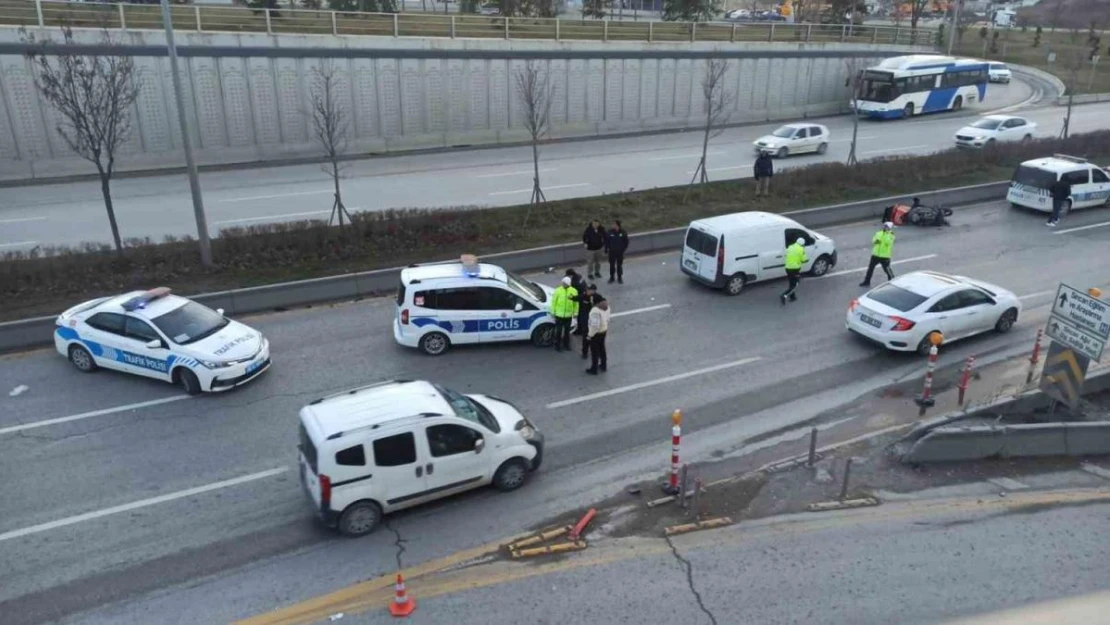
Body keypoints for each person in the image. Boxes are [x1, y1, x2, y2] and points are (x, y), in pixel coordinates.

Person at [859, 222, 896, 288]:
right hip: (875, 255)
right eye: (885, 226)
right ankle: (867, 281)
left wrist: (887, 233)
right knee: (870, 269)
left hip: (885, 256)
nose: (885, 227)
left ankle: (892, 281)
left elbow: (888, 242)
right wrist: (876, 241)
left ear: (890, 228)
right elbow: (873, 240)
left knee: (887, 270)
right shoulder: (879, 233)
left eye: (887, 227)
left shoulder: (891, 235)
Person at [550, 276, 578, 352]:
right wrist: (553, 312)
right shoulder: (558, 290)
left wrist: (575, 312)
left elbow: (576, 303)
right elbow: (553, 302)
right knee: (558, 331)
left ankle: (566, 345)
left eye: (565, 283)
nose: (563, 284)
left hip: (568, 315)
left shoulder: (574, 291)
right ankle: (557, 345)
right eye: (563, 283)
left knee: (567, 331)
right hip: (559, 315)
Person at [585, 296, 610, 375]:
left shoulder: (595, 311)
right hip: (604, 330)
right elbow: (608, 319)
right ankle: (603, 365)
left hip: (597, 334)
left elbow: (595, 326)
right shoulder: (607, 307)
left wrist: (589, 335)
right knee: (602, 349)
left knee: (595, 351)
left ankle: (594, 369)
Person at [780, 237, 807, 305]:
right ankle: (784, 295)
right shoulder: (801, 249)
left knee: (791, 282)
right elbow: (804, 259)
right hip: (795, 269)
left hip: (787, 268)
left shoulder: (790, 247)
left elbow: (786, 255)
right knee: (796, 284)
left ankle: (793, 297)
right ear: (802, 244)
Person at [605, 220, 629, 284]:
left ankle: (619, 278)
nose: (613, 225)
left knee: (619, 265)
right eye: (613, 224)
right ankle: (612, 277)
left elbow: (626, 242)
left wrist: (623, 249)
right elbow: (606, 241)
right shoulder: (610, 232)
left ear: (618, 225)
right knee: (611, 265)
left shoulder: (623, 232)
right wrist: (606, 249)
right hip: (612, 252)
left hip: (619, 252)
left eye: (614, 224)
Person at [577, 284, 597, 355]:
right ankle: (584, 352)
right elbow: (577, 298)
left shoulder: (596, 297)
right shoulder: (583, 296)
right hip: (585, 319)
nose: (589, 292)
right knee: (586, 337)